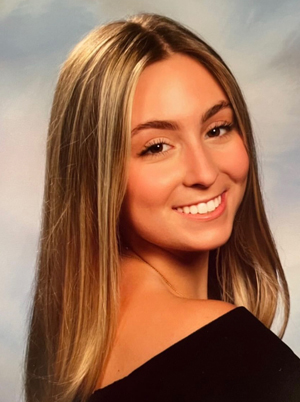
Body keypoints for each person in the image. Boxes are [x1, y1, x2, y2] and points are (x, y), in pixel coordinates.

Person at [24, 13, 300, 402]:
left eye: (217, 129)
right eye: (156, 147)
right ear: (97, 176)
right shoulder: (226, 348)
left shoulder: (73, 346)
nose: (204, 172)